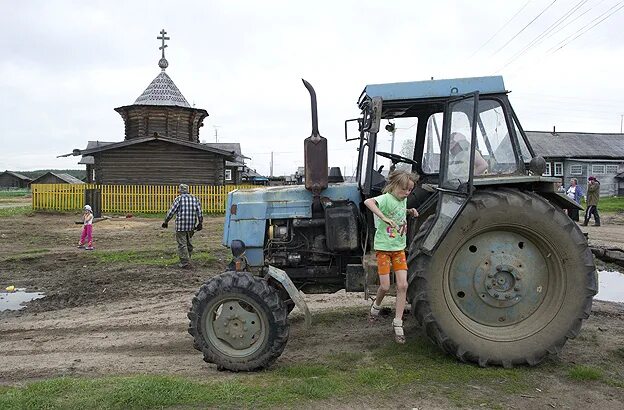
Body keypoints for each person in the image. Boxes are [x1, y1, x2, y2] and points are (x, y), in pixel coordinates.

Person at [364, 170, 419, 344]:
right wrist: (383, 217)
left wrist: (410, 211)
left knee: (403, 285)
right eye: (404, 189)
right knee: (386, 286)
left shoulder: (403, 200)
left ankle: (398, 323)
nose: (407, 193)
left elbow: (400, 211)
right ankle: (376, 307)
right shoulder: (386, 198)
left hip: (398, 249)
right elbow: (368, 202)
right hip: (384, 250)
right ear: (395, 186)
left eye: (410, 190)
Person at [162, 184, 203, 268]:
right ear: (188, 190)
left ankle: (185, 263)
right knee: (189, 242)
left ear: (180, 191)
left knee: (182, 244)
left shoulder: (178, 199)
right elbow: (199, 212)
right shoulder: (195, 199)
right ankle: (188, 259)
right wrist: (200, 223)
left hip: (181, 225)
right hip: (191, 225)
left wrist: (166, 221)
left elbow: (171, 212)